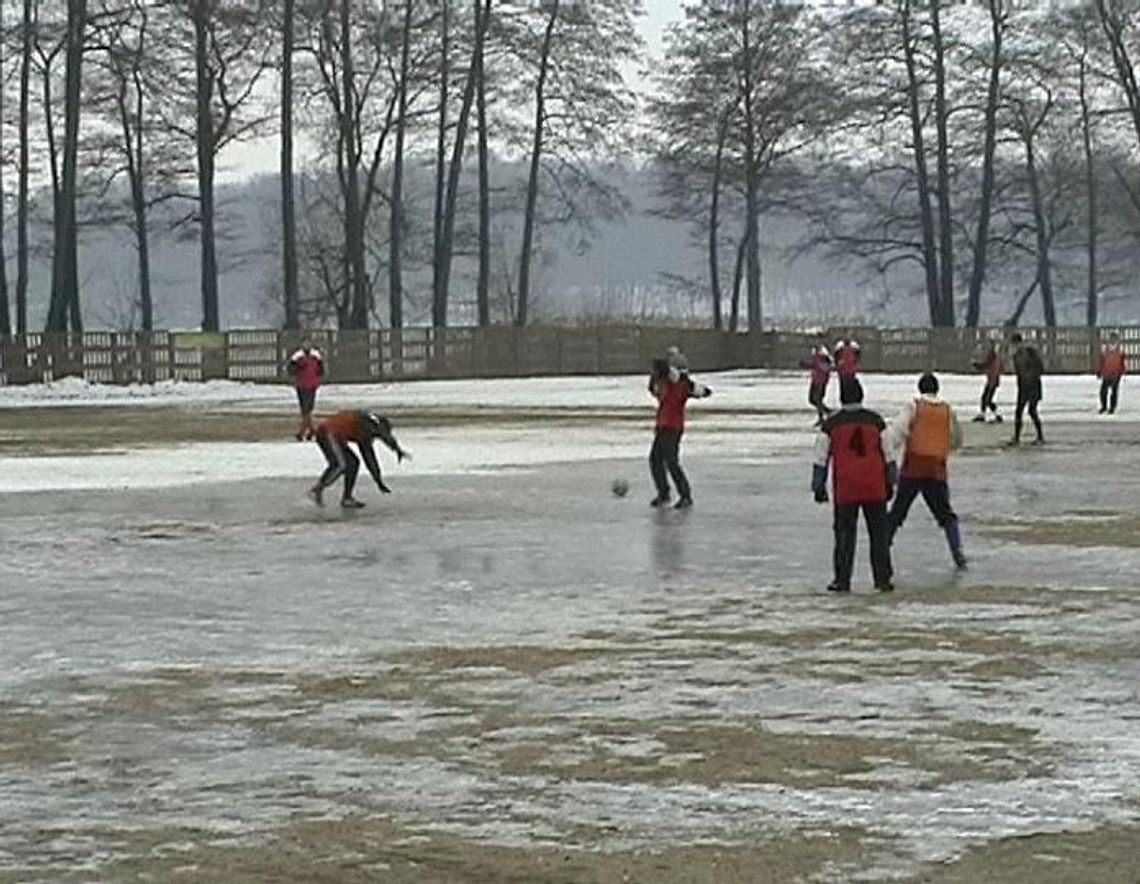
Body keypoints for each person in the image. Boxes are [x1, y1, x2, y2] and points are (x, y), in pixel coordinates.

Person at [812, 377, 894, 593]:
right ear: (861, 395)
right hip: (874, 487)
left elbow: (820, 458)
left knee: (844, 535)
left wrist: (818, 486)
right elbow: (889, 455)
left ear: (841, 397)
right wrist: (890, 482)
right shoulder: (876, 422)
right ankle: (882, 578)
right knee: (879, 535)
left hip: (846, 489)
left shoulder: (831, 425)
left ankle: (842, 579)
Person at [886, 373, 967, 570]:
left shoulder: (913, 406)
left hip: (913, 467)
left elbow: (898, 431)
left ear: (920, 388)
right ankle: (957, 552)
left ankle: (883, 545)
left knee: (898, 512)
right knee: (945, 514)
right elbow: (957, 439)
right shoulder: (948, 410)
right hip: (936, 470)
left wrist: (890, 453)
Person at [308, 409, 409, 508]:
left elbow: (380, 443)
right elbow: (369, 456)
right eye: (376, 435)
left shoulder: (370, 423)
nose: (374, 438)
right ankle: (317, 490)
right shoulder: (366, 428)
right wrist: (378, 480)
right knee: (340, 465)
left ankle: (347, 498)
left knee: (353, 463)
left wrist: (397, 450)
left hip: (335, 436)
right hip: (327, 433)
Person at [648, 357, 712, 510]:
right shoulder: (664, 383)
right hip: (662, 426)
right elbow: (654, 389)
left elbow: (705, 391)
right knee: (655, 459)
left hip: (673, 427)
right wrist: (654, 378)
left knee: (671, 461)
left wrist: (688, 382)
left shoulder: (682, 384)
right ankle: (664, 493)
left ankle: (685, 495)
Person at [1008, 333, 1045, 446]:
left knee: (1032, 411)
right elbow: (1019, 373)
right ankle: (1017, 437)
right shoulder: (1016, 356)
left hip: (1033, 385)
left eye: (1015, 344)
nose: (1014, 346)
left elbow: (1040, 367)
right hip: (1023, 387)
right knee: (1018, 411)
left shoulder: (1029, 352)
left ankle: (1040, 436)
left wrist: (1031, 377)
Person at [287, 338, 324, 441]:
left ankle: (303, 431)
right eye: (305, 343)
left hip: (312, 385)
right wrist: (299, 367)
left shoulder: (316, 355)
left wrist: (317, 375)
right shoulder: (297, 356)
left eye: (308, 343)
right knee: (305, 409)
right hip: (301, 385)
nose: (307, 345)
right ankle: (309, 430)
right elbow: (290, 370)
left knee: (308, 408)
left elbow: (321, 370)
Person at [801, 334, 833, 425]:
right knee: (812, 399)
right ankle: (827, 412)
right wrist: (806, 365)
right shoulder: (815, 351)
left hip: (821, 380)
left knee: (817, 399)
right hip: (815, 379)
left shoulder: (823, 352)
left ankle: (822, 416)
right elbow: (814, 364)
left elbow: (826, 365)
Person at [971, 335, 1003, 423]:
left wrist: (976, 365)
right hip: (992, 379)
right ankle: (983, 414)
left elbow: (986, 365)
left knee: (988, 399)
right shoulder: (993, 354)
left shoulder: (992, 355)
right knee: (985, 397)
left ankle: (997, 415)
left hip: (993, 379)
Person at [1097, 332, 1126, 415]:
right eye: (1111, 339)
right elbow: (1101, 361)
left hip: (1116, 374)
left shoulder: (1120, 350)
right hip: (1106, 373)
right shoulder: (1105, 350)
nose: (1112, 341)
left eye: (1114, 339)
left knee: (1114, 391)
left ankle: (1112, 407)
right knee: (1103, 391)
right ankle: (1104, 406)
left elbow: (1122, 362)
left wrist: (1122, 371)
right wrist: (1099, 371)